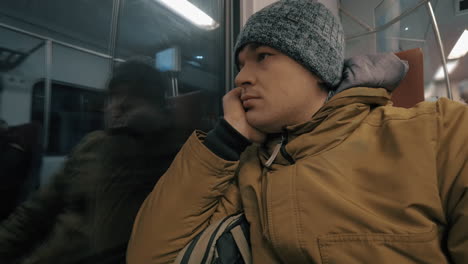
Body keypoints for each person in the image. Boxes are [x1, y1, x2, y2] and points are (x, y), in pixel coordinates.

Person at [127, 0, 468, 263]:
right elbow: (151, 256)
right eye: (240, 64)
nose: (240, 78)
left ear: (317, 67)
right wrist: (225, 141)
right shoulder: (248, 169)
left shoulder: (440, 132)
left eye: (263, 56)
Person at [0, 60, 179, 264]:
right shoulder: (91, 146)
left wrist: (141, 135)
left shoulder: (174, 160)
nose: (118, 106)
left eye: (135, 97)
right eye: (113, 97)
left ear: (159, 109)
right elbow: (34, 214)